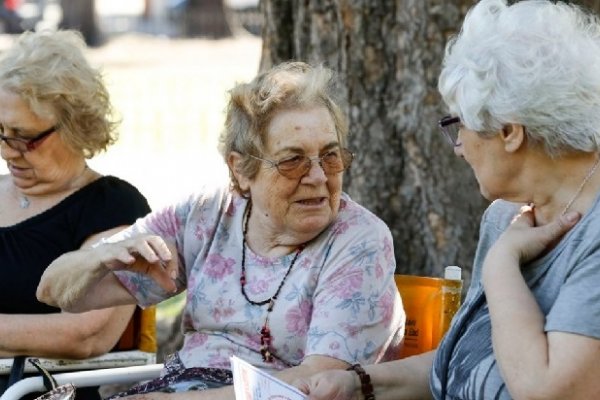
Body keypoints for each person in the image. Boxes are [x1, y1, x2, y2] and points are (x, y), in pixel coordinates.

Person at [36, 61, 405, 398]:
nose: (319, 176)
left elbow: (316, 386)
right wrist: (99, 258)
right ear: (241, 169)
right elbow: (55, 291)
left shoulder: (359, 241)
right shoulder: (208, 212)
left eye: (331, 155)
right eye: (293, 160)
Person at [293, 1, 600, 399]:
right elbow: (467, 363)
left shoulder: (586, 235)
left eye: (460, 125)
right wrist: (358, 383)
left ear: (509, 131)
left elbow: (548, 390)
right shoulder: (508, 217)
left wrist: (501, 266)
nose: (458, 148)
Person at [0, 30, 151, 399]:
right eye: (0, 132)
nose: (8, 151)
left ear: (72, 127)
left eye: (23, 137)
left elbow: (86, 334)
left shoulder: (112, 206)